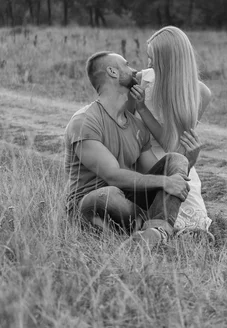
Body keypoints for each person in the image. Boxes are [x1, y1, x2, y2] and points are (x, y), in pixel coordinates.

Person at [64, 51, 200, 246]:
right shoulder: (85, 121)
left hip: (129, 203)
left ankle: (157, 232)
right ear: (112, 71)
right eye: (126, 65)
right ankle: (166, 230)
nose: (134, 70)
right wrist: (165, 181)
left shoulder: (137, 126)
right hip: (92, 204)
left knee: (175, 160)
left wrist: (188, 160)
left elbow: (153, 173)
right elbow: (112, 176)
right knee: (105, 195)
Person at [128, 26, 213, 239]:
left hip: (174, 160)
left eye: (153, 59)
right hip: (142, 159)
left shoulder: (199, 93)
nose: (148, 64)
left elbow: (173, 148)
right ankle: (158, 231)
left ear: (169, 60)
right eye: (148, 58)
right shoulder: (141, 80)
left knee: (193, 217)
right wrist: (140, 108)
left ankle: (169, 233)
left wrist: (190, 161)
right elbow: (124, 131)